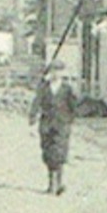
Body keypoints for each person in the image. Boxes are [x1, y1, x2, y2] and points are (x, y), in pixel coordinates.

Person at [27, 61, 77, 196]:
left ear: (63, 72)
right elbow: (36, 103)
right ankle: (51, 184)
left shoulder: (67, 89)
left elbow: (73, 106)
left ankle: (59, 184)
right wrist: (32, 118)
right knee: (48, 153)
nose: (56, 73)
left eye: (59, 70)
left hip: (62, 124)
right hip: (46, 124)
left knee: (60, 152)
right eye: (54, 70)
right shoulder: (44, 88)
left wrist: (69, 120)